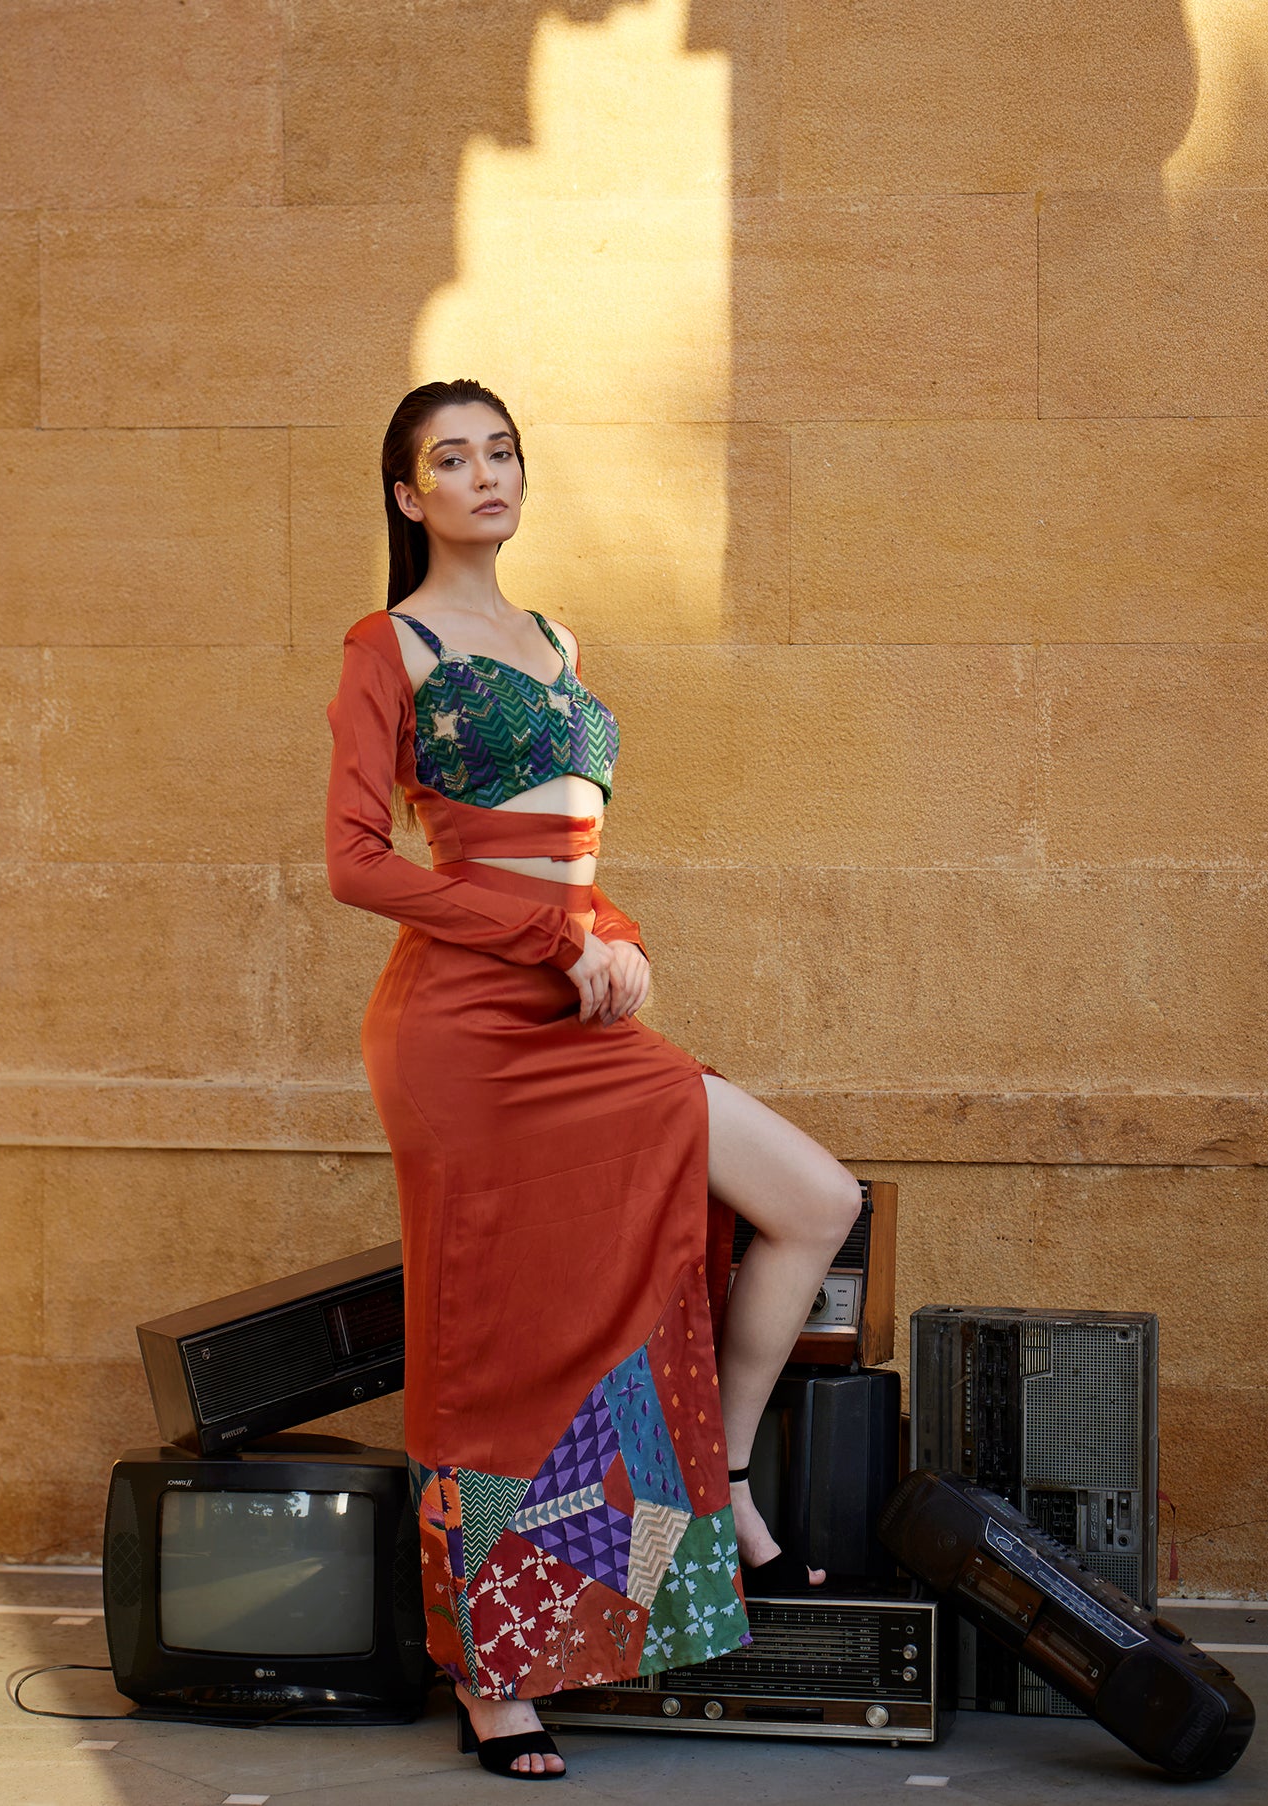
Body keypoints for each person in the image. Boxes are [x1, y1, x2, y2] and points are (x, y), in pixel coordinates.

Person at [324, 378, 863, 1780]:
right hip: (462, 1037)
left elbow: (574, 862)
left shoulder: (556, 639)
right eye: (451, 458)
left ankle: (726, 1474)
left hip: (574, 1009)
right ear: (407, 496)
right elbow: (356, 860)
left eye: (501, 450)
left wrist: (608, 937)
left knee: (808, 1197)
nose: (484, 473)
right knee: (494, 1342)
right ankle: (492, 1671)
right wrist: (552, 934)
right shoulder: (387, 642)